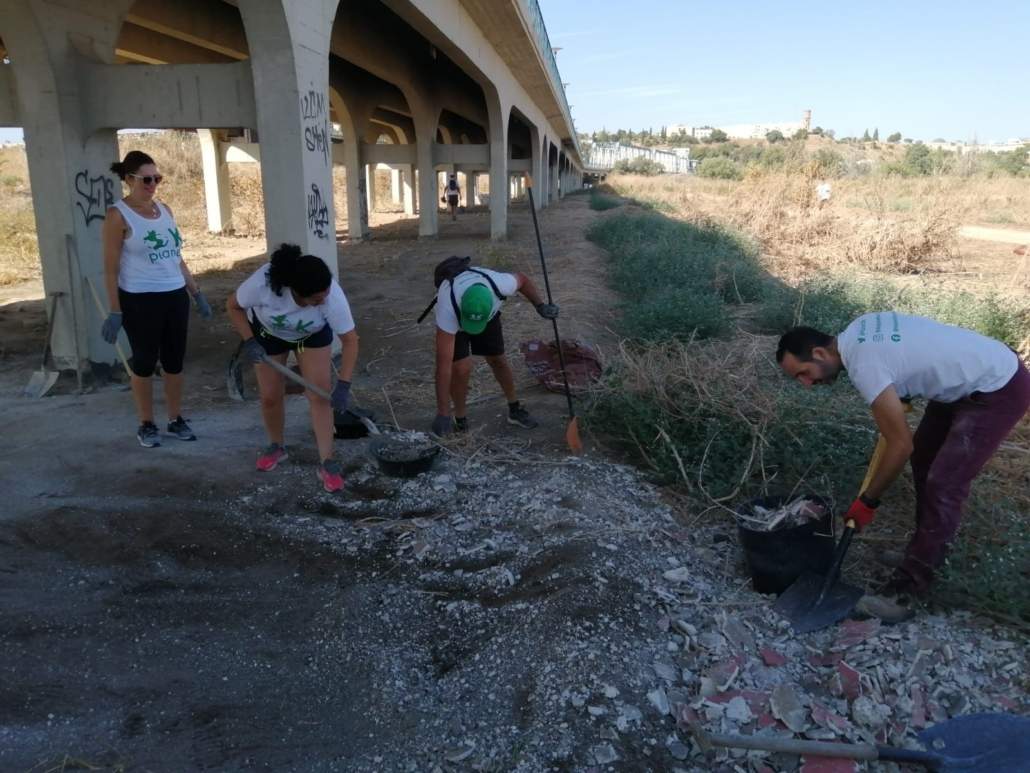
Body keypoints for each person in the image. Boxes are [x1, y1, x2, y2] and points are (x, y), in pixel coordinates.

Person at [776, 312, 1029, 621]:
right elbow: (905, 348)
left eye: (804, 373)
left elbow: (899, 444)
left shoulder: (863, 364)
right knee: (923, 458)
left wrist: (868, 501)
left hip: (997, 387)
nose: (806, 383)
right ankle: (924, 551)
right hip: (964, 383)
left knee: (944, 483)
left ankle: (907, 590)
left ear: (819, 353)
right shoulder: (857, 329)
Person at [101, 150, 212, 448]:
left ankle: (176, 419)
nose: (153, 184)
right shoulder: (117, 215)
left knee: (174, 361)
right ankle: (146, 423)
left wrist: (195, 292)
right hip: (139, 299)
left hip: (174, 295)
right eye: (146, 179)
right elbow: (110, 269)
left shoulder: (165, 210)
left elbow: (176, 257)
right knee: (145, 362)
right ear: (128, 180)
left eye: (157, 178)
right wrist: (115, 310)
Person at [226, 244, 359, 493]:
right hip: (269, 334)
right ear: (297, 293)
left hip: (312, 336)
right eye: (317, 299)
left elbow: (351, 340)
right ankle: (276, 446)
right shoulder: (264, 284)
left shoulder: (332, 297)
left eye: (326, 294)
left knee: (320, 394)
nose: (324, 299)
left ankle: (327, 461)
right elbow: (232, 306)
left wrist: (344, 384)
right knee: (269, 396)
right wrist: (249, 340)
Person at [432, 259, 558, 436]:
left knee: (497, 359)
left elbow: (522, 280)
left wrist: (540, 305)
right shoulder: (447, 308)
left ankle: (515, 409)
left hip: (487, 317)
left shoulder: (499, 284)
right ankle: (459, 419)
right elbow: (443, 368)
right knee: (461, 368)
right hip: (458, 319)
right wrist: (442, 413)